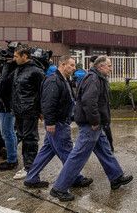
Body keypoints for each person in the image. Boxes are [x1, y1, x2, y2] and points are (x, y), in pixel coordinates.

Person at [49, 56, 132, 201]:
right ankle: (59, 188)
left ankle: (116, 177)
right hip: (90, 124)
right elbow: (89, 101)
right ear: (101, 67)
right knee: (79, 155)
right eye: (109, 66)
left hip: (93, 123)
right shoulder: (94, 79)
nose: (111, 69)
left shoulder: (96, 78)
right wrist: (94, 121)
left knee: (104, 149)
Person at [23, 56, 93, 190]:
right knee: (67, 152)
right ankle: (75, 178)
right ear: (62, 64)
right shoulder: (54, 80)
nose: (73, 69)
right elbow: (49, 103)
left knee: (47, 151)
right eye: (71, 66)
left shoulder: (63, 79)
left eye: (73, 66)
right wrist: (50, 122)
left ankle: (31, 177)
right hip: (58, 124)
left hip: (59, 122)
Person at [4, 46, 45, 180]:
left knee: (30, 139)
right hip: (18, 110)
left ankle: (30, 167)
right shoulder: (17, 70)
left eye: (16, 56)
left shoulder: (36, 71)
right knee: (23, 136)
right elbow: (6, 83)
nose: (14, 58)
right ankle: (28, 164)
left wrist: (41, 110)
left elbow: (42, 92)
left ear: (25, 56)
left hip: (30, 110)